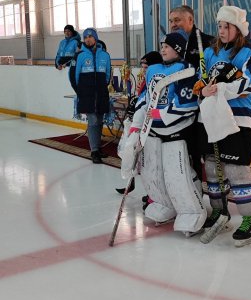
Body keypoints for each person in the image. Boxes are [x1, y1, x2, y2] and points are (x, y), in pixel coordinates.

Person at [197, 5, 251, 247]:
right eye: (220, 26)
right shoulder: (209, 52)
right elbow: (200, 80)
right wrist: (202, 89)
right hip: (211, 119)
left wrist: (221, 89)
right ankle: (220, 212)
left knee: (237, 171)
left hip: (237, 121)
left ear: (238, 28)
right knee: (213, 170)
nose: (222, 30)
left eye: (228, 26)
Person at [129, 30, 207, 236]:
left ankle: (191, 211)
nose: (163, 48)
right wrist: (137, 124)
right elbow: (144, 97)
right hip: (152, 133)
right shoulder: (153, 70)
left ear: (179, 50)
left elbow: (187, 103)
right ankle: (165, 204)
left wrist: (158, 114)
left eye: (168, 46)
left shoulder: (187, 70)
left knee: (177, 173)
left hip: (175, 132)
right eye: (162, 45)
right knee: (151, 171)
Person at [169, 5, 214, 185]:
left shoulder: (207, 42)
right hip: (177, 108)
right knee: (179, 153)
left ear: (190, 20)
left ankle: (201, 197)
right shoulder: (169, 43)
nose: (173, 24)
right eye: (171, 21)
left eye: (177, 20)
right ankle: (180, 194)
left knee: (201, 154)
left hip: (201, 110)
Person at [115, 51, 163, 199]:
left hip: (154, 128)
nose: (144, 70)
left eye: (146, 67)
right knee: (135, 155)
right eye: (142, 67)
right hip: (141, 125)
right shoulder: (145, 81)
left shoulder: (159, 81)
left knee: (151, 164)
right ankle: (137, 185)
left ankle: (153, 196)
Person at [69, 28, 111, 164]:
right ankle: (94, 151)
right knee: (93, 121)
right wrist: (80, 92)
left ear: (96, 38)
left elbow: (107, 75)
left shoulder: (105, 55)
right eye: (85, 37)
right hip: (86, 94)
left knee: (99, 121)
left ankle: (97, 149)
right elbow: (73, 77)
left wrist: (101, 88)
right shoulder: (79, 56)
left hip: (101, 94)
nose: (87, 39)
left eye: (90, 36)